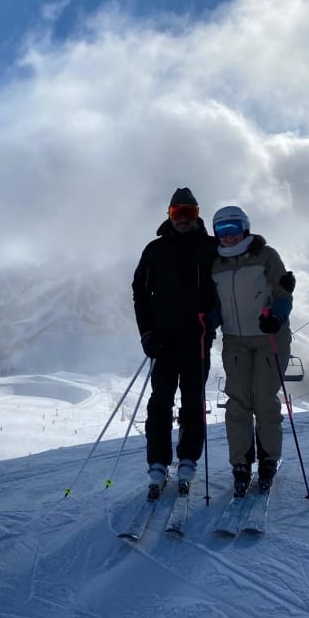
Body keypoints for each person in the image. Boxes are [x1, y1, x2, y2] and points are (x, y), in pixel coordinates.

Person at [132, 188, 218, 498]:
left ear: (197, 214)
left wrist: (212, 321)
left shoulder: (212, 248)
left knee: (193, 402)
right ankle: (158, 462)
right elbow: (140, 293)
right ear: (169, 215)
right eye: (177, 213)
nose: (183, 219)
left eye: (189, 213)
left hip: (197, 339)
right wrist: (147, 334)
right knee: (160, 404)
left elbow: (231, 277)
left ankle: (188, 459)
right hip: (164, 341)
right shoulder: (155, 251)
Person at [210, 205, 295, 496]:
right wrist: (207, 322)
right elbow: (215, 305)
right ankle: (241, 463)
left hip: (269, 336)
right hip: (234, 339)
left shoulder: (266, 255)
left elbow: (283, 291)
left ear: (245, 228)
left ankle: (269, 460)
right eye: (222, 231)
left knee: (265, 401)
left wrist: (277, 315)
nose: (229, 237)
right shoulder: (216, 263)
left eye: (234, 229)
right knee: (238, 404)